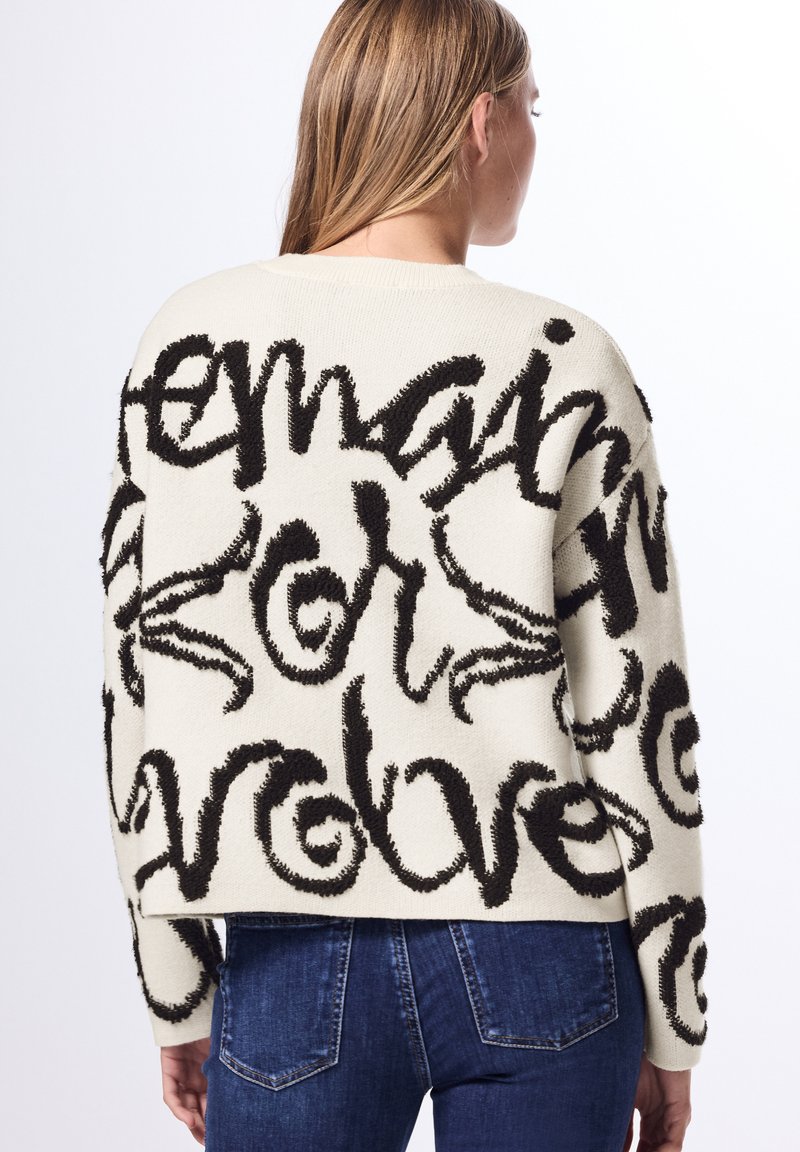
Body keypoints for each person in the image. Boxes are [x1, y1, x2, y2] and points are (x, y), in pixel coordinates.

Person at [99, 1, 709, 1149]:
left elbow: (147, 693)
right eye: (529, 108)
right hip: (545, 944)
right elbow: (638, 713)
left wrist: (175, 979)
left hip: (286, 943)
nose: (531, 137)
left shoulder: (190, 344)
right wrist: (672, 1020)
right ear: (479, 122)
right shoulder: (566, 362)